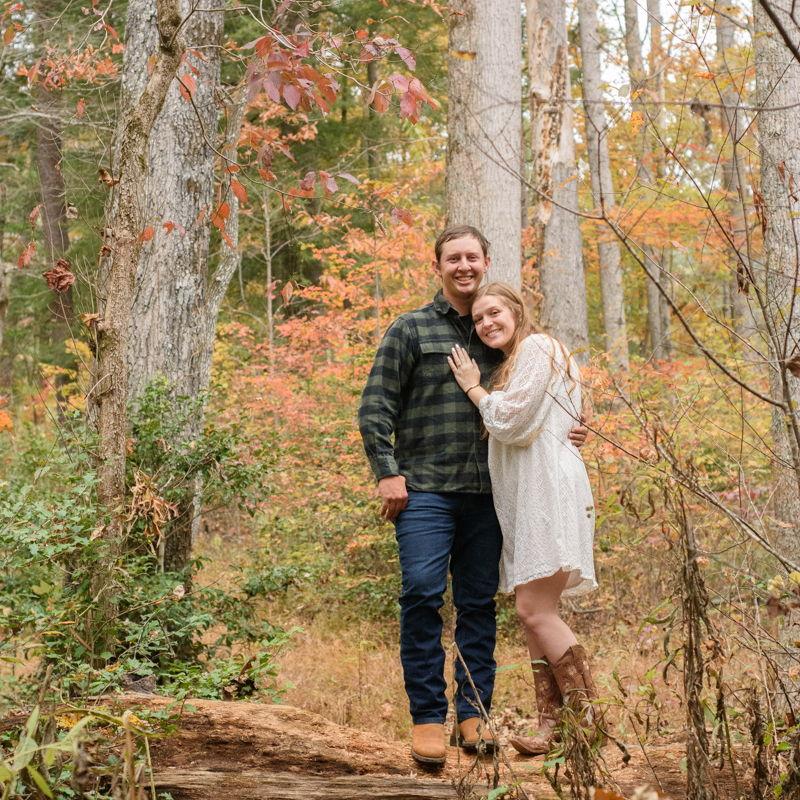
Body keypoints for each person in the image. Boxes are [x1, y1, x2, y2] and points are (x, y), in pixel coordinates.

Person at [358, 227, 588, 766]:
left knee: (478, 604)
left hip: (490, 496)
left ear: (486, 262)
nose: (463, 266)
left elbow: (545, 396)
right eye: (452, 258)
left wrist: (573, 428)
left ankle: (474, 714)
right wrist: (387, 473)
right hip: (426, 489)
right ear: (437, 265)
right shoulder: (411, 328)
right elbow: (375, 407)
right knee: (421, 594)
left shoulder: (502, 336)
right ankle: (426, 718)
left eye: (472, 257)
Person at [447, 281, 601, 756]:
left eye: (494, 312)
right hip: (532, 496)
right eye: (478, 318)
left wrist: (472, 387)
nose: (486, 323)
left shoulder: (537, 347)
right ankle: (552, 726)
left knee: (535, 611)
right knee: (535, 614)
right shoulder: (522, 359)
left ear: (517, 310)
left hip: (548, 492)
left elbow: (512, 422)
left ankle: (589, 723)